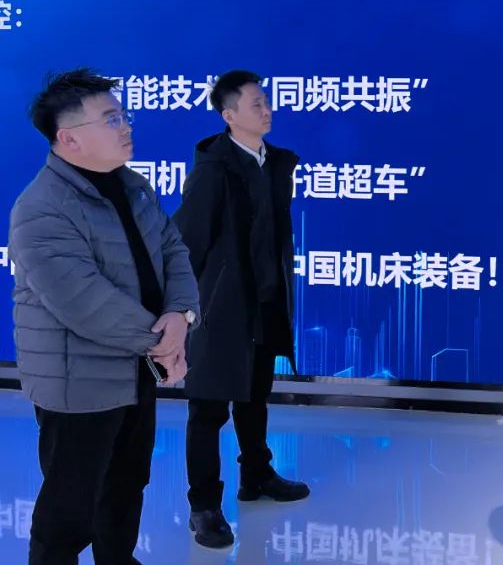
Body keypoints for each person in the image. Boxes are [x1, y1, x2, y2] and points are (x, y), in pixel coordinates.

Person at [9, 69, 199, 565]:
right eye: (111, 118)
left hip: (135, 371)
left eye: (123, 115)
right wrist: (163, 343)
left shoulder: (133, 188)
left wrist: (181, 314)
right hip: (79, 383)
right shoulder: (41, 208)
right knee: (70, 507)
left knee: (127, 483)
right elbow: (84, 302)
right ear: (68, 138)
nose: (126, 126)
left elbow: (173, 250)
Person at [173, 70, 308, 549]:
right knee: (208, 409)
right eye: (255, 104)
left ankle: (257, 475)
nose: (266, 110)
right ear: (229, 115)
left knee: (254, 398)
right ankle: (204, 507)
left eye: (266, 101)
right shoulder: (214, 170)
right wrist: (183, 309)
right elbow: (186, 242)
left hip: (265, 302)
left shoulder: (275, 163)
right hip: (220, 308)